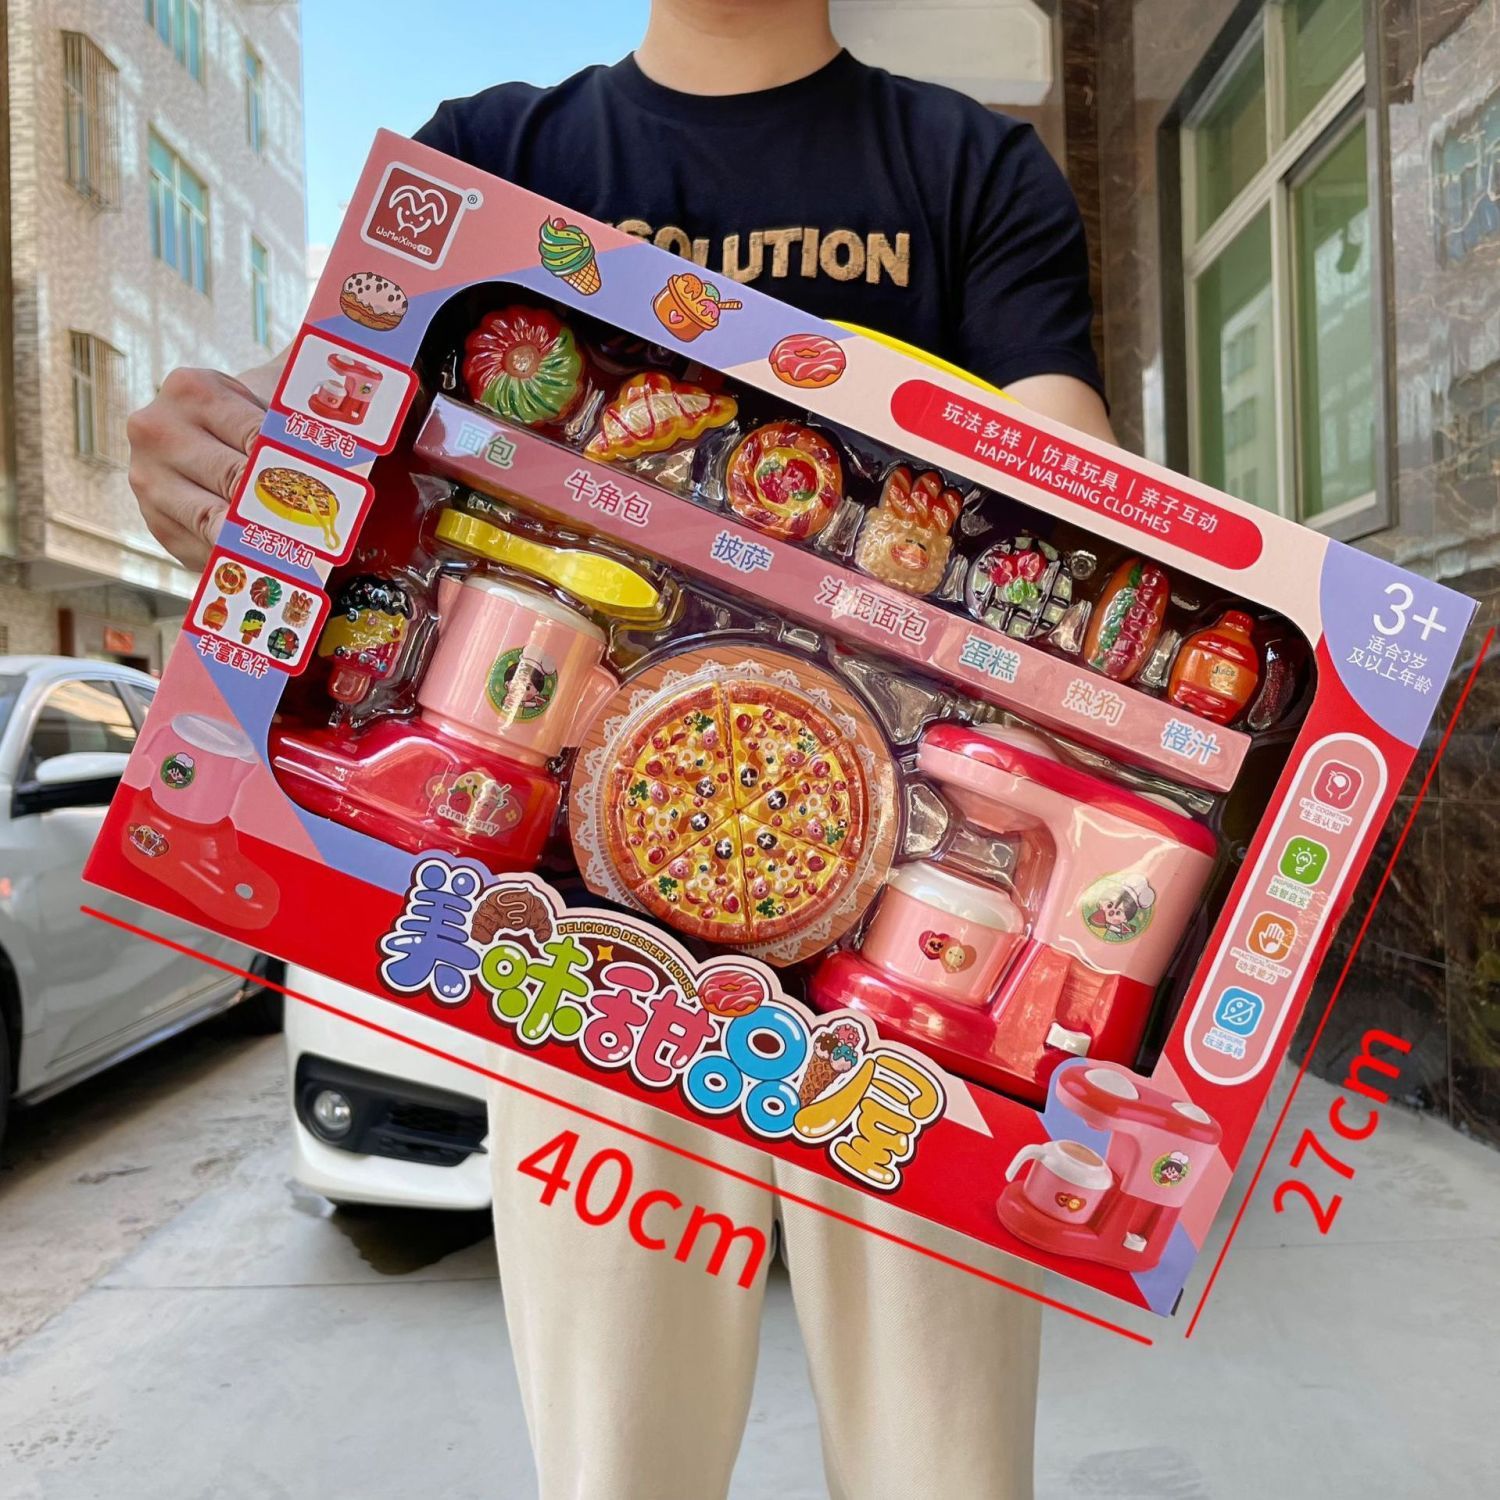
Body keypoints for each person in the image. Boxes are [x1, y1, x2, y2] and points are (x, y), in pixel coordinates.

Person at [128, 4, 1117, 1495]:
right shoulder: (490, 162)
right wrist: (220, 461)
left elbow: (1073, 499)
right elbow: (316, 412)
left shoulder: (971, 165)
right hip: (581, 933)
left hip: (918, 939)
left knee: (945, 1468)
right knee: (618, 1466)